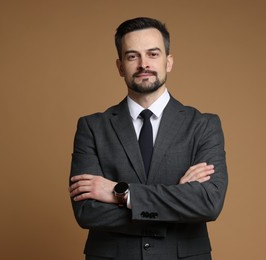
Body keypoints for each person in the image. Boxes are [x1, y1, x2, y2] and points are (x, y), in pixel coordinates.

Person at [69, 17, 228, 260]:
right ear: (120, 66)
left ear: (169, 61)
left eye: (153, 54)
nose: (144, 64)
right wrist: (177, 199)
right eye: (133, 56)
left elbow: (208, 202)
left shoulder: (203, 125)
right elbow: (87, 212)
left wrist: (120, 193)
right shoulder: (92, 127)